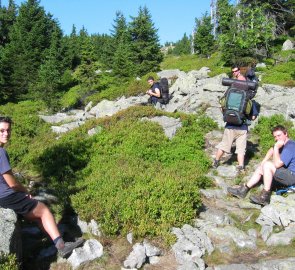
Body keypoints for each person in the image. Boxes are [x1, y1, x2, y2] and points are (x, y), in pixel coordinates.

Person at [0, 116, 83, 258]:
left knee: (38, 217)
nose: (6, 134)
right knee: (44, 210)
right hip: (8, 196)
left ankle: (58, 241)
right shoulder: (1, 152)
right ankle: (62, 247)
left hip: (3, 198)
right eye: (2, 131)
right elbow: (12, 183)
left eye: (8, 130)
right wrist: (26, 192)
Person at [227, 125, 295, 206]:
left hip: (292, 177)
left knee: (268, 165)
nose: (277, 138)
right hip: (285, 173)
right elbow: (271, 149)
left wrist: (276, 148)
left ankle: (265, 197)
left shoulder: (290, 146)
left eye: (279, 135)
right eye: (275, 137)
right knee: (261, 168)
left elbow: (277, 164)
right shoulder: (283, 144)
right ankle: (243, 190)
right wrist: (263, 161)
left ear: (286, 134)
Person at [212, 66, 258, 173]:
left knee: (224, 145)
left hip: (230, 126)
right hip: (242, 127)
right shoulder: (248, 100)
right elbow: (253, 116)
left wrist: (227, 114)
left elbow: (221, 107)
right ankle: (241, 166)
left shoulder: (229, 95)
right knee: (241, 149)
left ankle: (216, 161)